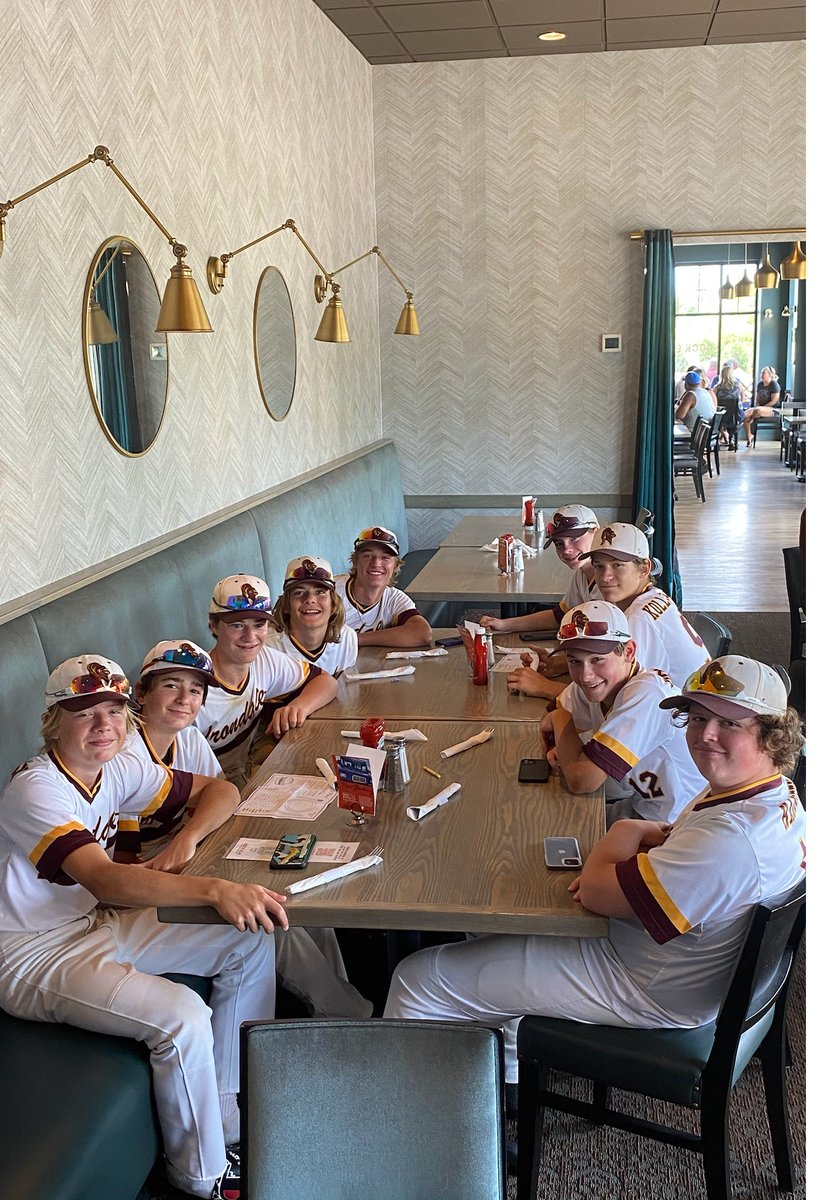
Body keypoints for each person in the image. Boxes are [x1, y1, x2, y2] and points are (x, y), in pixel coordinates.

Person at [384, 655, 805, 1102]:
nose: (705, 735)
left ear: (772, 735)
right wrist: (646, 844)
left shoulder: (731, 841)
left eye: (729, 723)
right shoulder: (774, 794)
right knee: (490, 929)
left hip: (648, 984)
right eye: (698, 717)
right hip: (688, 969)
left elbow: (595, 892)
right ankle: (504, 1089)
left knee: (419, 979)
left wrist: (626, 831)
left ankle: (408, 1124)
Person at [0, 654, 292, 1199]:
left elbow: (221, 790)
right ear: (53, 721)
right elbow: (107, 880)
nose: (104, 724)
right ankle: (201, 1176)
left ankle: (229, 1113)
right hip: (28, 953)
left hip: (92, 924)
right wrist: (214, 888)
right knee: (180, 1015)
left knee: (246, 940)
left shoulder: (117, 767)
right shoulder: (35, 788)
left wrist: (187, 839)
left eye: (113, 708)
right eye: (84, 711)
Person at [130, 639, 372, 1022]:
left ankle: (338, 1008)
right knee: (273, 919)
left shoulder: (188, 738)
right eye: (171, 686)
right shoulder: (124, 753)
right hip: (144, 884)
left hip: (188, 857)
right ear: (142, 693)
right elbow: (126, 865)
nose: (184, 699)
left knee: (299, 899)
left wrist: (188, 838)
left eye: (195, 690)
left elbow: (224, 794)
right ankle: (351, 1018)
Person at [539, 602, 705, 824]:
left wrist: (562, 721)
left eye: (597, 659)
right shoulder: (598, 684)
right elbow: (552, 719)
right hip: (640, 805)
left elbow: (582, 780)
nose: (585, 675)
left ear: (629, 652)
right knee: (546, 820)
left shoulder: (647, 693)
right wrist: (561, 742)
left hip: (678, 822)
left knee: (554, 826)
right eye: (574, 661)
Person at [195, 574, 339, 788]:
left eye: (259, 624)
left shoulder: (263, 659)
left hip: (245, 766)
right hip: (208, 785)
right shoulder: (194, 691)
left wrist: (299, 706)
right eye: (237, 625)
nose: (250, 636)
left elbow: (326, 682)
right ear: (214, 625)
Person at [480, 505, 601, 702]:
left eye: (575, 538)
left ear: (596, 532)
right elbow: (559, 615)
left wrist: (544, 687)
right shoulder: (582, 574)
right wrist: (505, 624)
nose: (567, 549)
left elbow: (608, 681)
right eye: (559, 544)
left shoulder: (610, 587)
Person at [580, 523, 709, 686]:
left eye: (617, 565)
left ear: (644, 569)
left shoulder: (637, 617)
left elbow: (617, 688)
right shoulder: (653, 594)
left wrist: (543, 686)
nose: (605, 577)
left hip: (682, 707)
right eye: (599, 566)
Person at [334, 526, 433, 648]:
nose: (376, 563)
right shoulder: (330, 593)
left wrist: (354, 640)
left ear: (396, 566)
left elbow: (423, 633)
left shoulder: (394, 598)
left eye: (385, 557)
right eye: (367, 556)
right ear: (355, 561)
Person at [268, 555, 358, 675]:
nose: (310, 599)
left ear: (333, 603)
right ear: (286, 605)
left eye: (320, 592)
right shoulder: (268, 646)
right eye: (299, 592)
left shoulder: (347, 639)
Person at [742, 365, 782, 447]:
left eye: (763, 373)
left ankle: (752, 419)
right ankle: (749, 435)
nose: (762, 374)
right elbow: (757, 399)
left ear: (770, 374)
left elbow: (774, 400)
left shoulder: (774, 384)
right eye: (761, 373)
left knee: (758, 410)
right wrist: (758, 405)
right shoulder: (760, 384)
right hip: (759, 408)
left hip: (773, 409)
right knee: (745, 416)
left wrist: (762, 407)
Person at [711, 362, 744, 447]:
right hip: (736, 416)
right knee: (734, 417)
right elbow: (742, 400)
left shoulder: (717, 388)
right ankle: (731, 439)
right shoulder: (738, 386)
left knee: (717, 417)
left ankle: (720, 438)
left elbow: (713, 401)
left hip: (722, 416)